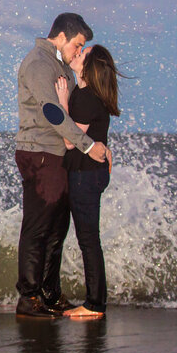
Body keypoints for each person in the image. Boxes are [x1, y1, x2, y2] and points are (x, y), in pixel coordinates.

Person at [14, 13, 111, 318]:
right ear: (61, 37)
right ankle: (28, 298)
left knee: (57, 227)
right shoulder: (40, 64)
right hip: (40, 153)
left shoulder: (58, 64)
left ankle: (50, 293)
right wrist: (89, 146)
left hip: (58, 157)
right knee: (38, 226)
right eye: (78, 44)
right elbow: (53, 114)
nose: (78, 51)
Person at [55, 44, 124, 319]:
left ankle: (95, 304)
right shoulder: (90, 96)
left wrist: (61, 102)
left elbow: (69, 142)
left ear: (88, 67)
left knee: (88, 240)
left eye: (82, 53)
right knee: (89, 239)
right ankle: (96, 301)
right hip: (92, 174)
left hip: (85, 175)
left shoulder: (84, 97)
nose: (78, 52)